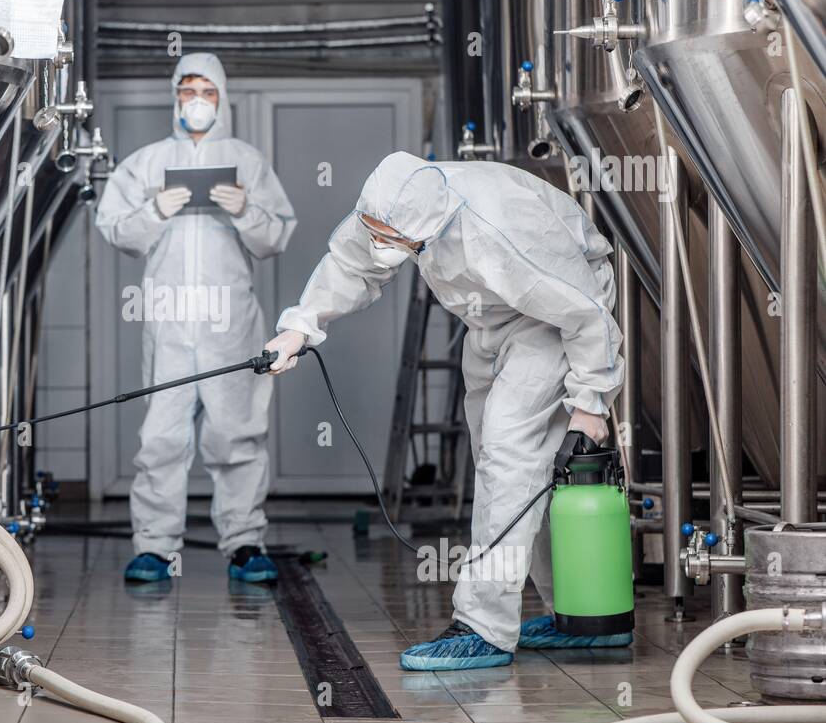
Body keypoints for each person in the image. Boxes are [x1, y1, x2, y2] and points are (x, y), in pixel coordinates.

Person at [266, 151, 626, 669]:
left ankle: (484, 627)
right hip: (488, 321)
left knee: (509, 453)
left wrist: (591, 403)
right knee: (510, 466)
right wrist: (299, 327)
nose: (378, 243)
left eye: (391, 238)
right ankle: (579, 614)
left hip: (555, 319)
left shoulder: (498, 226)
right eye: (373, 229)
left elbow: (584, 313)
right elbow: (349, 263)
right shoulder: (393, 206)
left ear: (429, 225)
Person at [95, 53, 297, 584]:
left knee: (237, 433)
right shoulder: (145, 162)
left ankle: (245, 543)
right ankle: (154, 548)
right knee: (161, 436)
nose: (196, 100)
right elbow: (115, 230)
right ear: (174, 96)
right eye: (187, 90)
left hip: (230, 321)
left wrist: (244, 209)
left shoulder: (247, 161)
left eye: (206, 90)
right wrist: (155, 210)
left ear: (221, 96)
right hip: (169, 320)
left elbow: (276, 236)